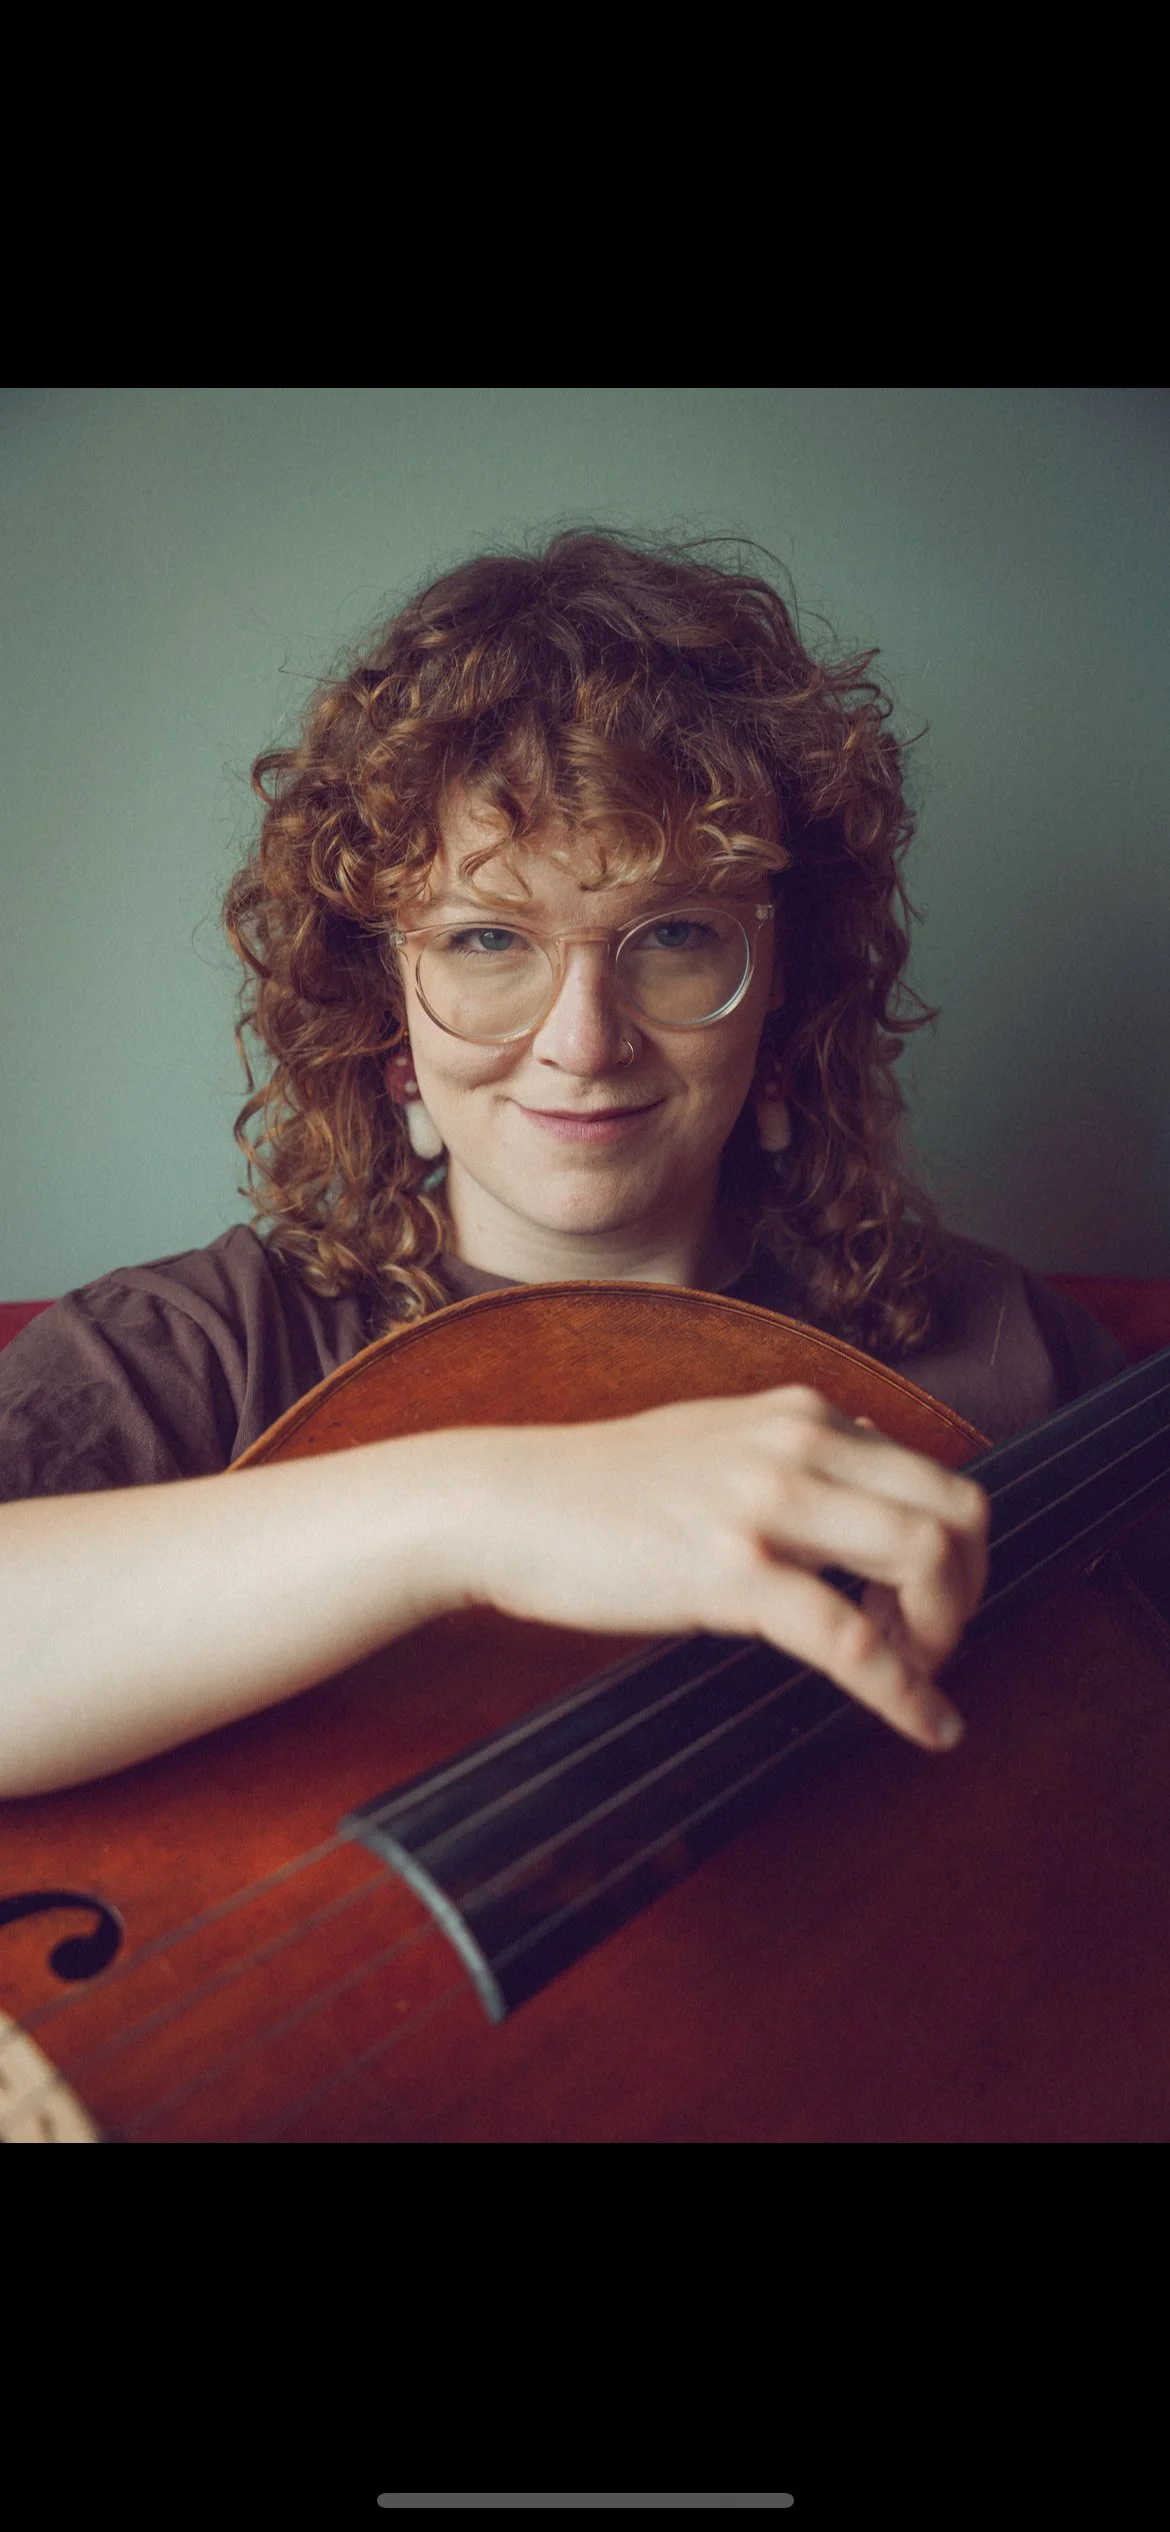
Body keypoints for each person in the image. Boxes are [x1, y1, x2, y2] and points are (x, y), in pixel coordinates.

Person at [0, 532, 1124, 1798]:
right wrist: (476, 1509)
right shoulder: (197, 1357)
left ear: (781, 984)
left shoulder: (1003, 1355)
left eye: (676, 934)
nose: (583, 1043)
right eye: (487, 939)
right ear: (386, 1006)